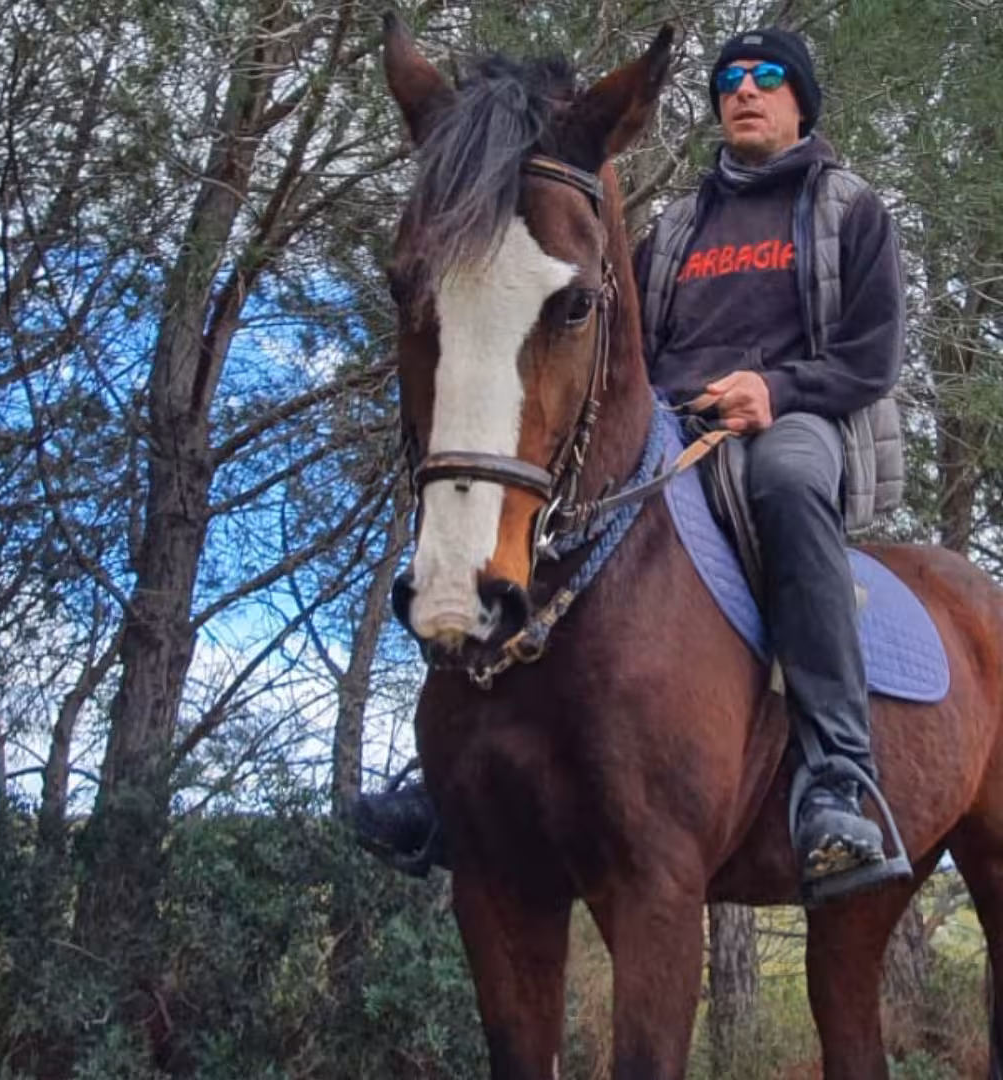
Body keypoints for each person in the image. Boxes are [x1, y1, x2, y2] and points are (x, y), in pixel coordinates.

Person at [356, 27, 908, 905]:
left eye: (768, 78)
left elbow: (872, 353)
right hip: (678, 419)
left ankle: (838, 778)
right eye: (731, 79)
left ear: (801, 100)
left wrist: (775, 389)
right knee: (544, 503)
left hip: (794, 418)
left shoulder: (847, 207)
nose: (746, 91)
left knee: (790, 487)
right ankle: (455, 773)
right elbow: (623, 345)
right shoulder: (681, 224)